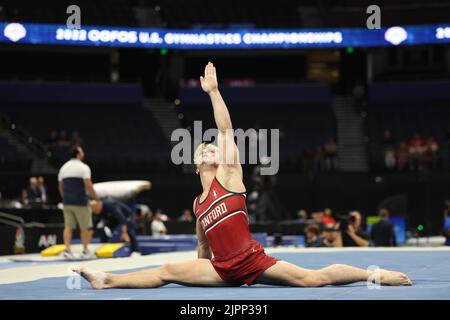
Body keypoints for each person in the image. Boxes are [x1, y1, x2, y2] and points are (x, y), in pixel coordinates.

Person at [73, 62, 411, 289]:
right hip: (220, 269)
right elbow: (203, 246)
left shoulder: (230, 175)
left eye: (211, 149)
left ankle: (374, 274)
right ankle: (107, 280)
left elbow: (224, 128)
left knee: (313, 279)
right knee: (167, 272)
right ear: (194, 165)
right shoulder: (198, 203)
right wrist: (196, 276)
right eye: (202, 150)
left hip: (252, 260)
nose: (209, 150)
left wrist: (213, 92)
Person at [58, 146, 100, 260]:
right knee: (85, 227)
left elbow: (60, 186)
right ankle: (85, 251)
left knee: (68, 227)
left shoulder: (63, 168)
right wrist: (96, 198)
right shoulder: (83, 167)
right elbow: (88, 184)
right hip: (81, 202)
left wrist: (65, 197)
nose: (83, 153)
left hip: (67, 203)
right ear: (78, 154)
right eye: (81, 151)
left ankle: (67, 250)